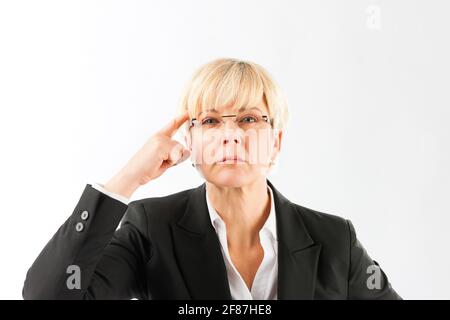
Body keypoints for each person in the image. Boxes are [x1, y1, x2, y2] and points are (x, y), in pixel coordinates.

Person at [22, 58, 401, 300]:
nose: (230, 135)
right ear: (189, 139)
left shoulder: (336, 240)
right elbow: (50, 297)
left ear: (276, 142)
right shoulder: (151, 228)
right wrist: (128, 178)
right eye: (211, 121)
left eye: (250, 119)